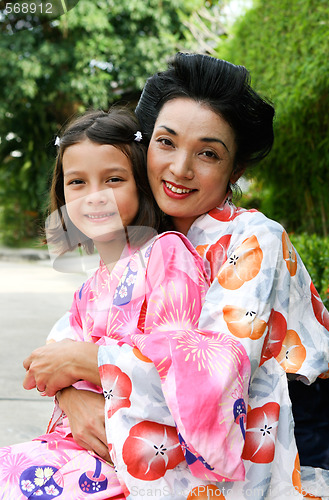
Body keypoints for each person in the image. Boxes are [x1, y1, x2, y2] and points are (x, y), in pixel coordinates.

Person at [20, 53, 329, 499]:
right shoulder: (145, 236)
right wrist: (70, 395)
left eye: (208, 153)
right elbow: (68, 339)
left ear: (236, 169)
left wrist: (87, 364)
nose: (180, 168)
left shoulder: (254, 239)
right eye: (166, 143)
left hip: (263, 448)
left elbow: (214, 374)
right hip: (153, 440)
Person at [0, 106, 251, 499]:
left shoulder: (166, 254)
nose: (95, 196)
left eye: (114, 179)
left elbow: (179, 363)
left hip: (142, 456)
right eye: (77, 182)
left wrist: (83, 370)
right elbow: (51, 368)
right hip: (86, 447)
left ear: (140, 183)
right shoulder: (88, 290)